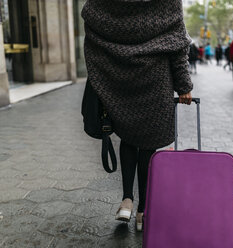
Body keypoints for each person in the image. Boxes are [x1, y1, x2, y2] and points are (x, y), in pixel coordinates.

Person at [82, 0, 193, 232]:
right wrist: (184, 85)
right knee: (148, 144)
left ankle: (126, 201)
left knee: (128, 137)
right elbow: (178, 47)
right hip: (156, 80)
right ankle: (143, 210)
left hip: (119, 80)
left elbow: (91, 23)